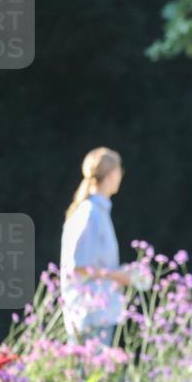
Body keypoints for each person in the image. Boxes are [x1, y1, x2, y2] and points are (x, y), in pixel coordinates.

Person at [60, 147, 131, 344]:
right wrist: (118, 276)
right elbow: (79, 266)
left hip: (98, 315)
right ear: (112, 174)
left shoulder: (96, 212)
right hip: (89, 317)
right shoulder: (90, 214)